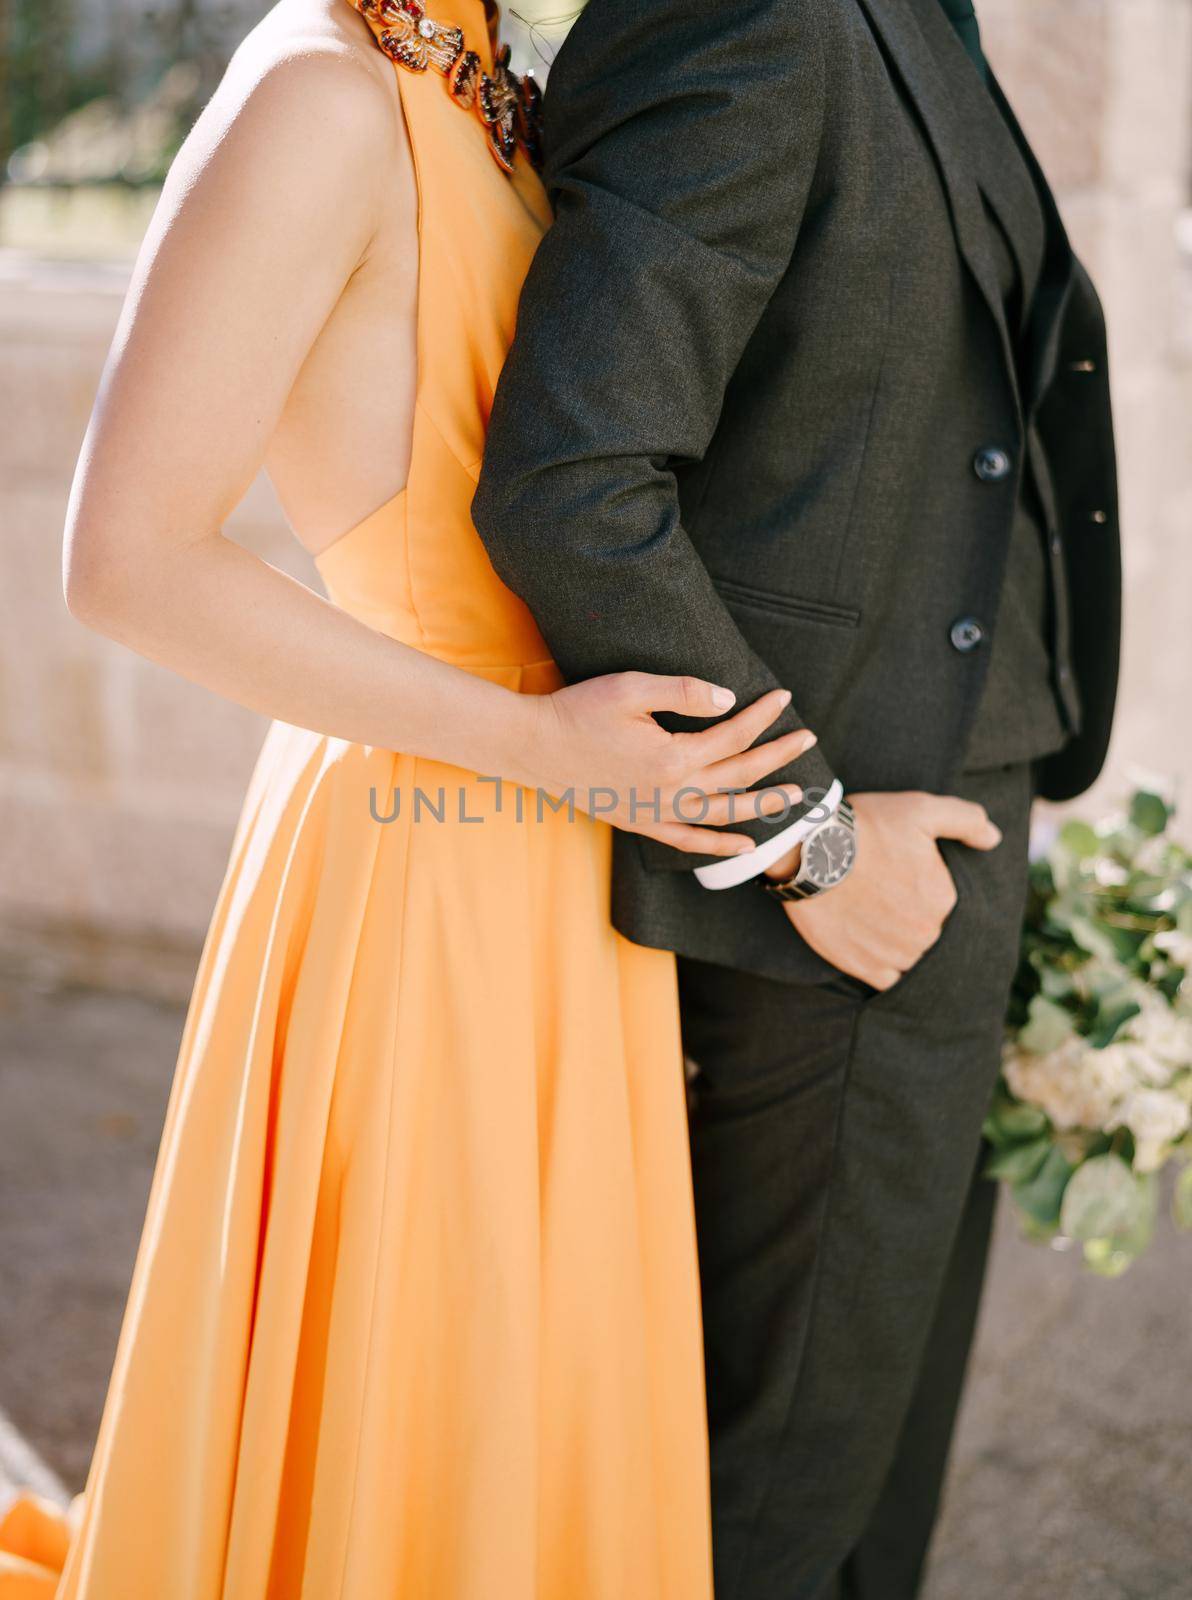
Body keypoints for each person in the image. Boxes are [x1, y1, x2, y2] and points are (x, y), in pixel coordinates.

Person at [0, 0, 823, 1593]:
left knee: (531, 1379)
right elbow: (126, 562)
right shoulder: (320, 92)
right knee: (431, 1380)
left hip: (565, 836)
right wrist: (543, 755)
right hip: (427, 852)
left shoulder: (497, 90)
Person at [473, 0, 1122, 1596]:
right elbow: (575, 484)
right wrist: (813, 842)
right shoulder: (743, 11)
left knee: (876, 1438)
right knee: (776, 1478)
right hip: (829, 877)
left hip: (951, 809)